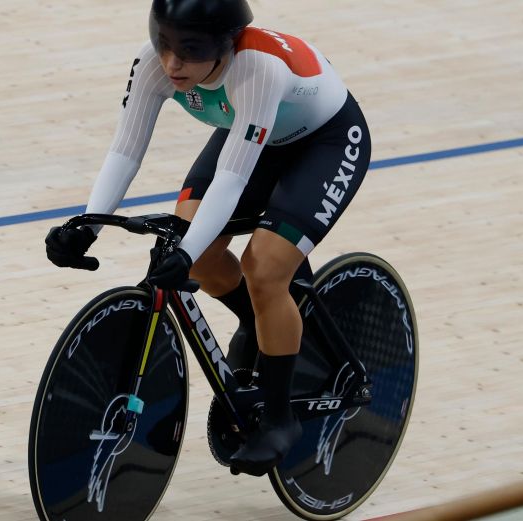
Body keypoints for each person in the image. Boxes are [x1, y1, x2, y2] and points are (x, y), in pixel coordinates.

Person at [45, 0, 371, 476]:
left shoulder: (257, 69)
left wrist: (188, 246)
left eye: (190, 51)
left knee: (265, 270)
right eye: (165, 45)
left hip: (325, 141)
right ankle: (261, 328)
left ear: (224, 46)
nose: (173, 63)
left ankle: (281, 419)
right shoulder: (154, 64)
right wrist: (87, 225)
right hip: (255, 133)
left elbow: (233, 179)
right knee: (197, 256)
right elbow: (125, 150)